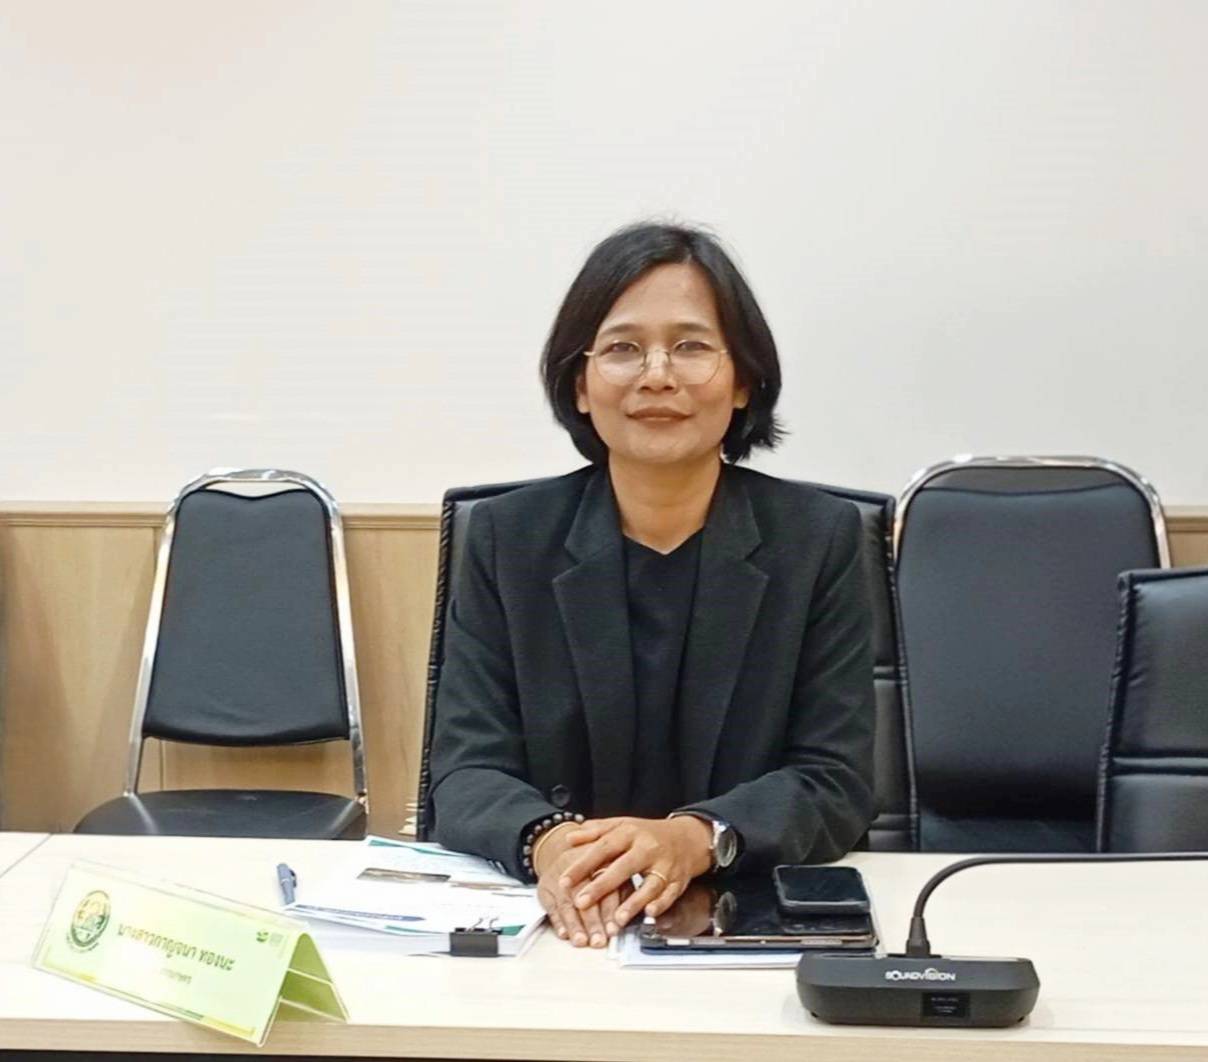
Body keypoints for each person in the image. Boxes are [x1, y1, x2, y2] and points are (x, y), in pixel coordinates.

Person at [429, 222, 875, 948]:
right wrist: (551, 842)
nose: (657, 375)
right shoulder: (509, 538)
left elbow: (836, 779)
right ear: (580, 384)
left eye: (692, 346)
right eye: (623, 348)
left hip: (740, 914)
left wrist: (694, 837)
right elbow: (465, 769)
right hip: (559, 917)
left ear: (743, 381)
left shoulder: (817, 539)